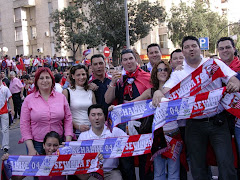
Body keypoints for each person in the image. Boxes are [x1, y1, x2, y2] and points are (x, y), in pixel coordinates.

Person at [153, 36, 240, 179]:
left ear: (199, 48)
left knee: (226, 163)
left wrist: (234, 84)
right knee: (197, 167)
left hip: (218, 122)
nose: (191, 49)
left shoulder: (213, 64)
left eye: (193, 45)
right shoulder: (179, 73)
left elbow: (233, 79)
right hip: (194, 125)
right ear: (183, 52)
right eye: (186, 47)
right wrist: (157, 92)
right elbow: (166, 90)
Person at [105, 49, 152, 180]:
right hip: (122, 126)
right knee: (126, 162)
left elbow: (151, 95)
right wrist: (113, 83)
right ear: (122, 63)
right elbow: (108, 100)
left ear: (136, 59)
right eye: (125, 59)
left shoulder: (147, 77)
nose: (128, 61)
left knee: (145, 160)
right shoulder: (119, 79)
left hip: (143, 124)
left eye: (130, 58)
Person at [20, 67, 73, 155]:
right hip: (36, 144)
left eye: (47, 77)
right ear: (36, 81)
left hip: (58, 143)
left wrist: (67, 143)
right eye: (41, 78)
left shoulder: (61, 98)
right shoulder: (29, 100)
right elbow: (24, 124)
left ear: (52, 80)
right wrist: (31, 148)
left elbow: (68, 119)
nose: (45, 80)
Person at [77, 104, 125, 180]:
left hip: (111, 171)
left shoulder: (114, 131)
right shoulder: (83, 136)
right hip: (92, 173)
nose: (97, 118)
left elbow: (129, 142)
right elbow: (78, 157)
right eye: (93, 115)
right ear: (89, 118)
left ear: (104, 117)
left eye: (99, 114)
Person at [1, 131, 66, 180]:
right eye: (49, 145)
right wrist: (8, 163)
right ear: (43, 145)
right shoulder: (37, 161)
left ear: (60, 146)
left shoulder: (66, 160)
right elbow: (17, 178)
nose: (52, 148)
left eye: (55, 145)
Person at [62, 64, 96, 137]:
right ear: (73, 76)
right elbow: (65, 115)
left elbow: (95, 112)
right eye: (78, 75)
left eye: (83, 74)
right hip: (75, 132)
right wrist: (77, 126)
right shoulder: (67, 92)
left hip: (91, 131)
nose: (81, 77)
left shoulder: (90, 92)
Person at [0, 76, 14, 152]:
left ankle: (5, 145)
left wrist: (12, 109)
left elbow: (10, 98)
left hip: (4, 111)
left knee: (5, 129)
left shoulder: (5, 88)